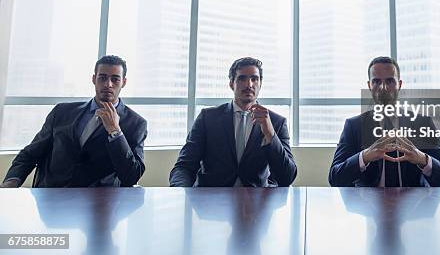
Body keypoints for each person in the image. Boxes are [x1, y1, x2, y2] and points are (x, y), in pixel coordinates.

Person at [1, 55, 147, 188]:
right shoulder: (62, 112)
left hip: (99, 206)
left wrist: (115, 132)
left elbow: (131, 177)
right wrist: (11, 181)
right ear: (93, 79)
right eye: (102, 78)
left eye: (115, 79)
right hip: (51, 199)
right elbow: (30, 154)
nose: (108, 84)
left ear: (124, 82)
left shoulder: (136, 124)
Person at [329, 56, 440, 187]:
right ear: (369, 85)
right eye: (376, 81)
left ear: (399, 85)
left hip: (413, 204)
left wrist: (421, 159)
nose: (383, 88)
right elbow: (335, 178)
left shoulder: (422, 123)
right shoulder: (354, 126)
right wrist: (365, 156)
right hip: (368, 204)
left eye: (390, 81)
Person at [169, 57, 297, 187]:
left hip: (256, 202)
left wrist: (271, 135)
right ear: (231, 83)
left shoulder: (276, 122)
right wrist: (179, 193)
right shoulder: (207, 118)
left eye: (254, 79)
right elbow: (184, 166)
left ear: (260, 83)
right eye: (242, 78)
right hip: (212, 200)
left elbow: (287, 178)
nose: (249, 85)